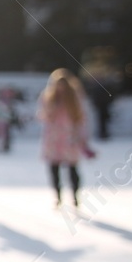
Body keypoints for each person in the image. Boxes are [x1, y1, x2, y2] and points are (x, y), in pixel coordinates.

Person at [36, 68, 94, 207]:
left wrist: (82, 138)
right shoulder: (48, 97)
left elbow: (82, 119)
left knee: (72, 169)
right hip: (54, 139)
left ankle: (75, 196)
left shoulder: (75, 98)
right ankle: (58, 196)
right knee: (54, 170)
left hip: (70, 138)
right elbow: (42, 115)